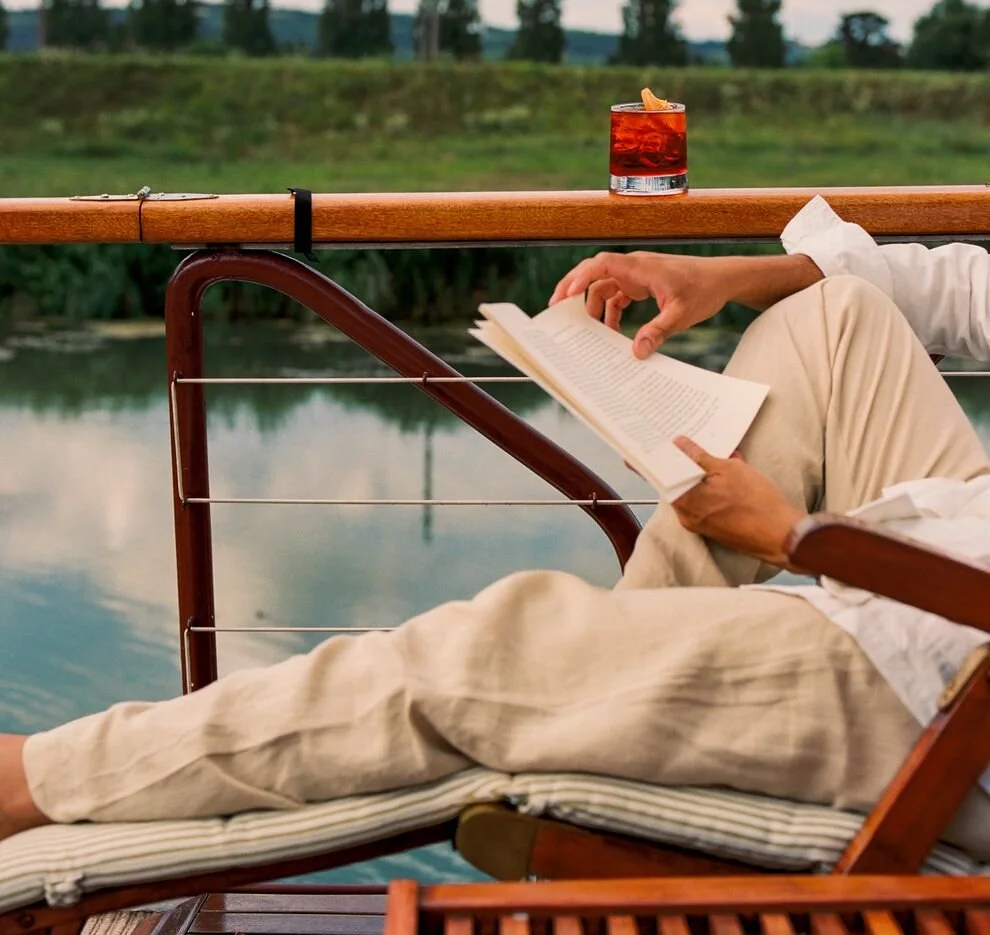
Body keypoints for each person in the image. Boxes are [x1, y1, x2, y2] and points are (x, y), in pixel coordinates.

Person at [2, 195, 990, 854]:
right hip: (961, 546)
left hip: (952, 664)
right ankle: (614, 675)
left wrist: (787, 539)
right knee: (835, 317)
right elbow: (947, 292)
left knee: (477, 653)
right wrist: (726, 277)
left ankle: (38, 780)